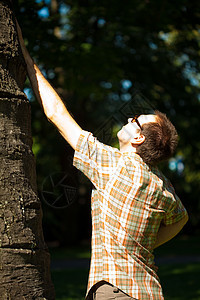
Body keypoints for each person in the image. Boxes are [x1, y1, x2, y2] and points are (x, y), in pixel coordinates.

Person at [16, 21, 188, 300]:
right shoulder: (162, 186)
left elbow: (57, 115)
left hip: (115, 292)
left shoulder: (113, 164)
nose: (128, 120)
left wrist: (27, 57)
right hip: (149, 292)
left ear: (138, 139)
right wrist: (143, 245)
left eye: (135, 121)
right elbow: (181, 218)